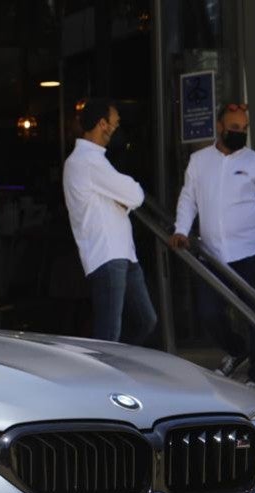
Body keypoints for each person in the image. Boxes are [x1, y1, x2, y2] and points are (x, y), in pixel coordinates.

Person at [171, 103, 255, 391]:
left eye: (244, 129)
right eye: (234, 128)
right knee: (208, 312)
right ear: (220, 127)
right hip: (212, 254)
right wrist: (181, 229)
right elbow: (188, 199)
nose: (240, 133)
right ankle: (236, 349)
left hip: (251, 252)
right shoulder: (198, 161)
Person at [62, 98, 156, 344]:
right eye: (115, 122)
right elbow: (135, 194)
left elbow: (127, 197)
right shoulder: (87, 161)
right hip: (106, 254)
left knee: (145, 321)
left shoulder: (94, 161)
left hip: (122, 253)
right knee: (109, 335)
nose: (117, 127)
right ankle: (106, 376)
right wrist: (122, 198)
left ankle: (117, 370)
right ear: (102, 124)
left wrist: (121, 198)